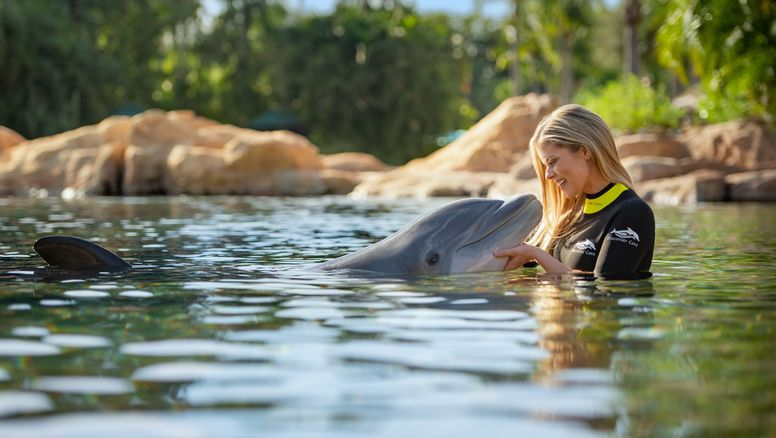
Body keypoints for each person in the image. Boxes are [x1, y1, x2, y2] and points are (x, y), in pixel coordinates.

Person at [495, 104, 655, 278]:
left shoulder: (632, 212)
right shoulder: (564, 216)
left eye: (552, 162)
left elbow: (606, 286)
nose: (548, 174)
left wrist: (536, 254)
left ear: (585, 151)